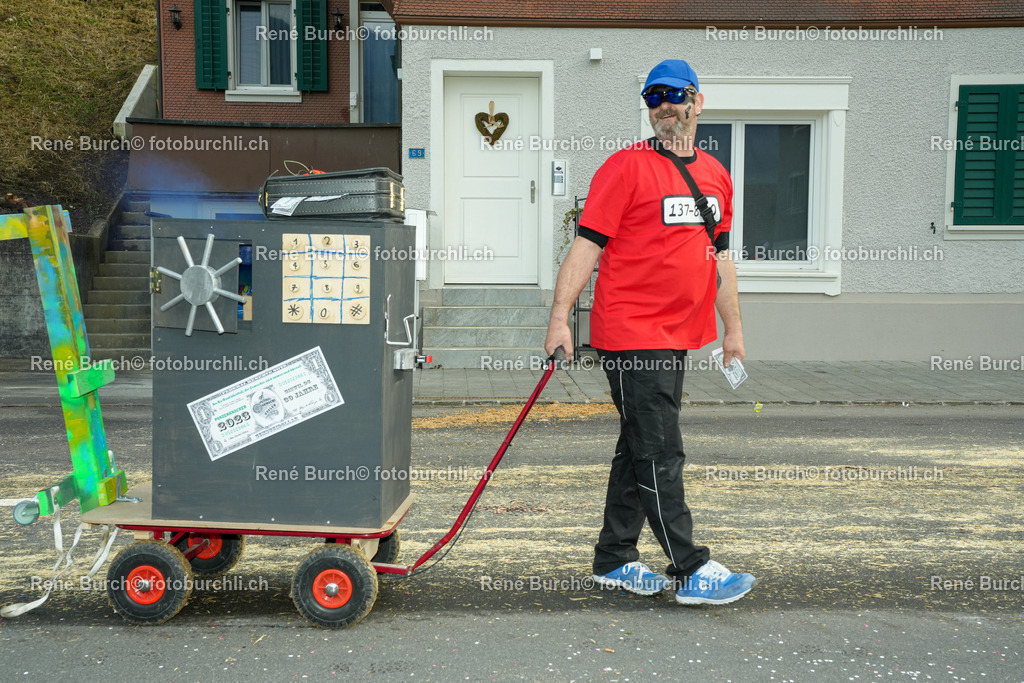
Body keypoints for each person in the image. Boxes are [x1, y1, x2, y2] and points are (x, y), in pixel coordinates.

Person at [544, 59, 756, 605]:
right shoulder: (624, 168)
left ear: (698, 102)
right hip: (632, 332)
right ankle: (691, 568)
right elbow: (586, 246)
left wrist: (732, 330)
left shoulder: (717, 177)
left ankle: (614, 559)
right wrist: (559, 318)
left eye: (676, 94)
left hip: (679, 334)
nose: (665, 104)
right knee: (661, 450)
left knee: (638, 445)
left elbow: (722, 261)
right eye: (653, 96)